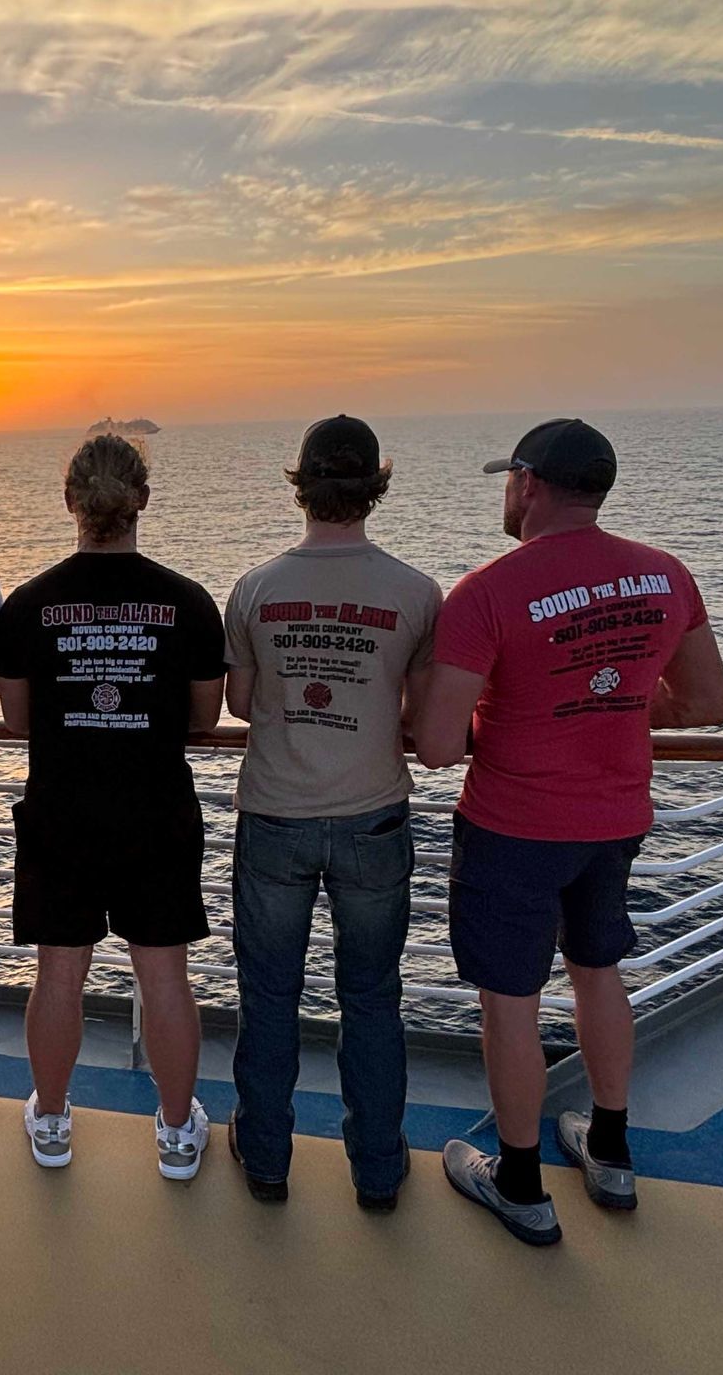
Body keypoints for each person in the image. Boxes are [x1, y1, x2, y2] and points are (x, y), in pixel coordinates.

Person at [414, 418, 723, 1246]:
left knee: (510, 1003)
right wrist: (610, 707)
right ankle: (612, 1152)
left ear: (529, 483)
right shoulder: (665, 575)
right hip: (615, 816)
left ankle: (518, 1183)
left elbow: (440, 746)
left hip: (515, 827)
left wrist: (521, 718)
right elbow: (705, 705)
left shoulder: (485, 592)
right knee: (598, 972)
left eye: (507, 482)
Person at [222, 415, 443, 1208]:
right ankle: (378, 1170)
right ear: (374, 487)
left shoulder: (255, 589)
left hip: (276, 815)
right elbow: (421, 715)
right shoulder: (417, 593)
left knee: (270, 996)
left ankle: (269, 1158)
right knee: (373, 998)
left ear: (302, 485)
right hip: (374, 818)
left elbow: (241, 704)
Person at [0, 434, 225, 1179]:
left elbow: (20, 717)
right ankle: (175, 1134)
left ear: (70, 502)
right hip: (154, 808)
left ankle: (54, 1122)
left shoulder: (28, 605)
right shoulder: (188, 603)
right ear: (142, 502)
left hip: (62, 809)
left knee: (59, 974)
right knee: (164, 977)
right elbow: (205, 717)